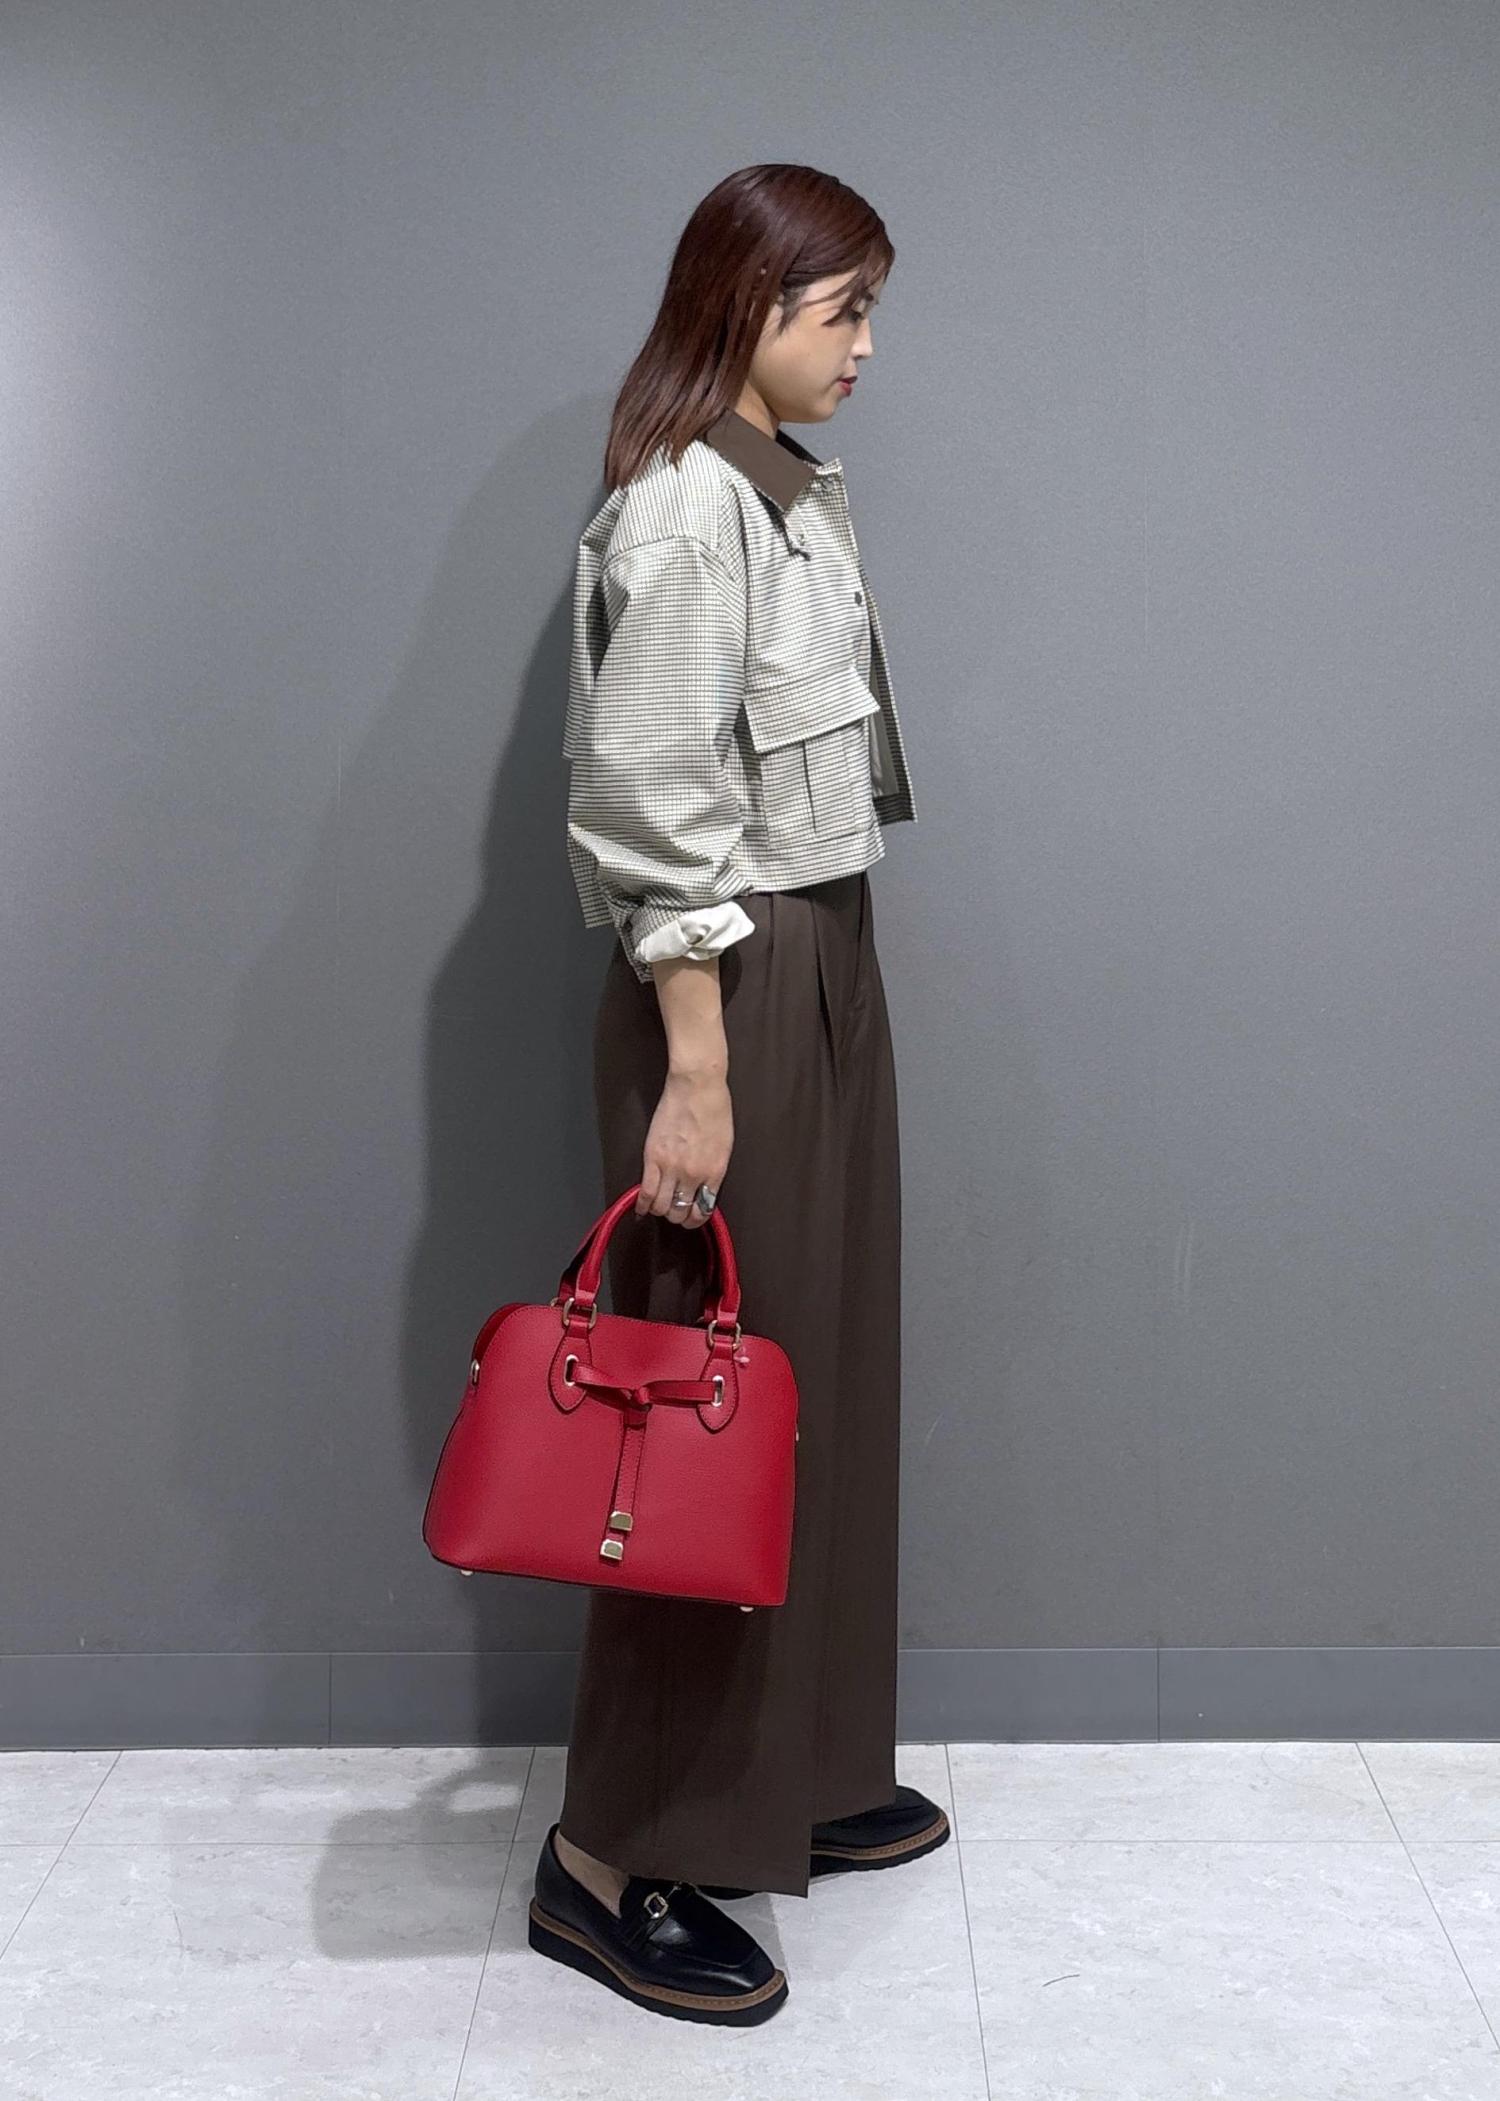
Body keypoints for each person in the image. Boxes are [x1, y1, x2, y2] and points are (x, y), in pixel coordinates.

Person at [528, 162, 948, 2027]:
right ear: (744, 304)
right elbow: (647, 807)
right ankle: (609, 1861)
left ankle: (793, 1773)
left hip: (821, 954)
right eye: (839, 309)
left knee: (816, 1380)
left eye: (870, 310)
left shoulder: (793, 491)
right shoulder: (691, 509)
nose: (864, 346)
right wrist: (697, 1067)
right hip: (731, 987)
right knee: (694, 1419)